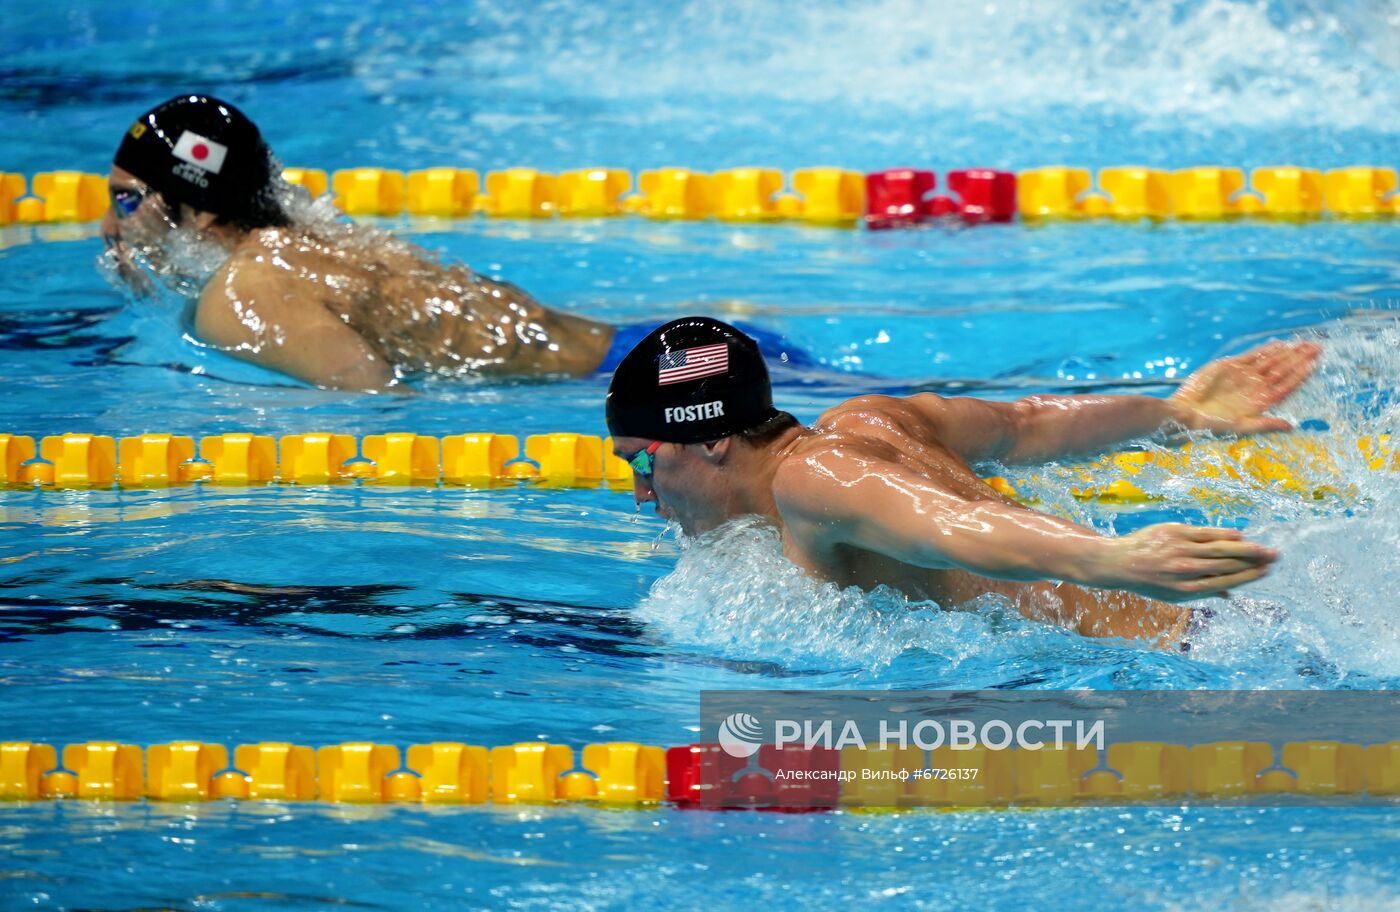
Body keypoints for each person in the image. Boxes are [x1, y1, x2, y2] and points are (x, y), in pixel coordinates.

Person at [606, 317, 1323, 648]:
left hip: (1189, 660)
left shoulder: (812, 483)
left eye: (640, 459)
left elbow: (948, 527)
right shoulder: (871, 420)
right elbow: (1028, 425)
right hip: (1231, 629)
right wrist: (1176, 414)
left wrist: (1114, 561)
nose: (641, 490)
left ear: (710, 436)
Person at [100, 94, 808, 391]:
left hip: (667, 376)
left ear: (192, 212)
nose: (109, 227)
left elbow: (377, 400)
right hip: (672, 349)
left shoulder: (244, 292)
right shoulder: (305, 241)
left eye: (127, 201)